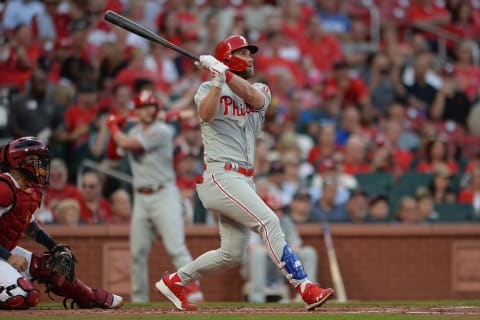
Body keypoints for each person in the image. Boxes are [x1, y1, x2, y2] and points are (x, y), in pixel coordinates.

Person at [155, 35, 334, 311]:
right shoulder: (206, 88)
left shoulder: (260, 87)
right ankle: (304, 286)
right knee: (269, 222)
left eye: (250, 54)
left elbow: (254, 98)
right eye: (244, 53)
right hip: (220, 175)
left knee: (231, 253)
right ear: (228, 58)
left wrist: (224, 75)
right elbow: (206, 114)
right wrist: (216, 81)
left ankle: (176, 280)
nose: (251, 58)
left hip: (243, 179)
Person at [0, 136, 123, 309]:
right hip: (4, 252)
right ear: (18, 160)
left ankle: (88, 296)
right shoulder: (4, 187)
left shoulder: (30, 189)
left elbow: (28, 224)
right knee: (24, 296)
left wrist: (53, 245)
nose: (41, 164)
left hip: (5, 249)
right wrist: (9, 256)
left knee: (48, 267)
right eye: (35, 159)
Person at [107, 90, 203, 303]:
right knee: (137, 254)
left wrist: (113, 125)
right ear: (137, 111)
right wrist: (118, 129)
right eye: (142, 107)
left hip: (164, 194)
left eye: (150, 106)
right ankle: (140, 301)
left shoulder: (163, 130)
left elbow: (128, 145)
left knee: (176, 248)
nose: (147, 110)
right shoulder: (132, 130)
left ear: (157, 109)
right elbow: (114, 152)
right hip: (140, 197)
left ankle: (195, 293)